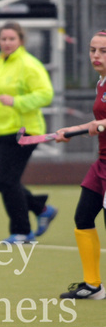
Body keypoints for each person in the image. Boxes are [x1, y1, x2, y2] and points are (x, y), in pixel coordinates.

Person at [0, 21, 57, 244]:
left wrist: (17, 101)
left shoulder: (29, 64)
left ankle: (22, 232)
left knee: (9, 180)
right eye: (3, 39)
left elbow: (46, 94)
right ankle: (42, 209)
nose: (7, 43)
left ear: (20, 40)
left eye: (12, 39)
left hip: (25, 131)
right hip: (4, 129)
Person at [54, 29, 106, 300]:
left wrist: (101, 124)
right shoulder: (101, 83)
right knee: (83, 217)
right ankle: (93, 285)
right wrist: (71, 131)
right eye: (92, 50)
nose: (96, 56)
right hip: (102, 164)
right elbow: (96, 123)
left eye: (103, 51)